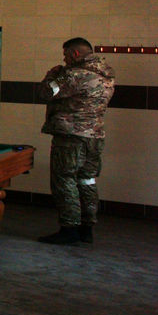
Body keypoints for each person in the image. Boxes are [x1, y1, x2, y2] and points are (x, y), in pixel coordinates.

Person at [36, 38, 115, 246]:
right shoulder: (106, 75)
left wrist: (52, 75)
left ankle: (69, 228)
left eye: (65, 55)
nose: (64, 59)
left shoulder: (74, 75)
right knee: (87, 180)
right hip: (95, 137)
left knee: (64, 179)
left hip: (71, 137)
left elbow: (45, 92)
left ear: (75, 54)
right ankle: (86, 228)